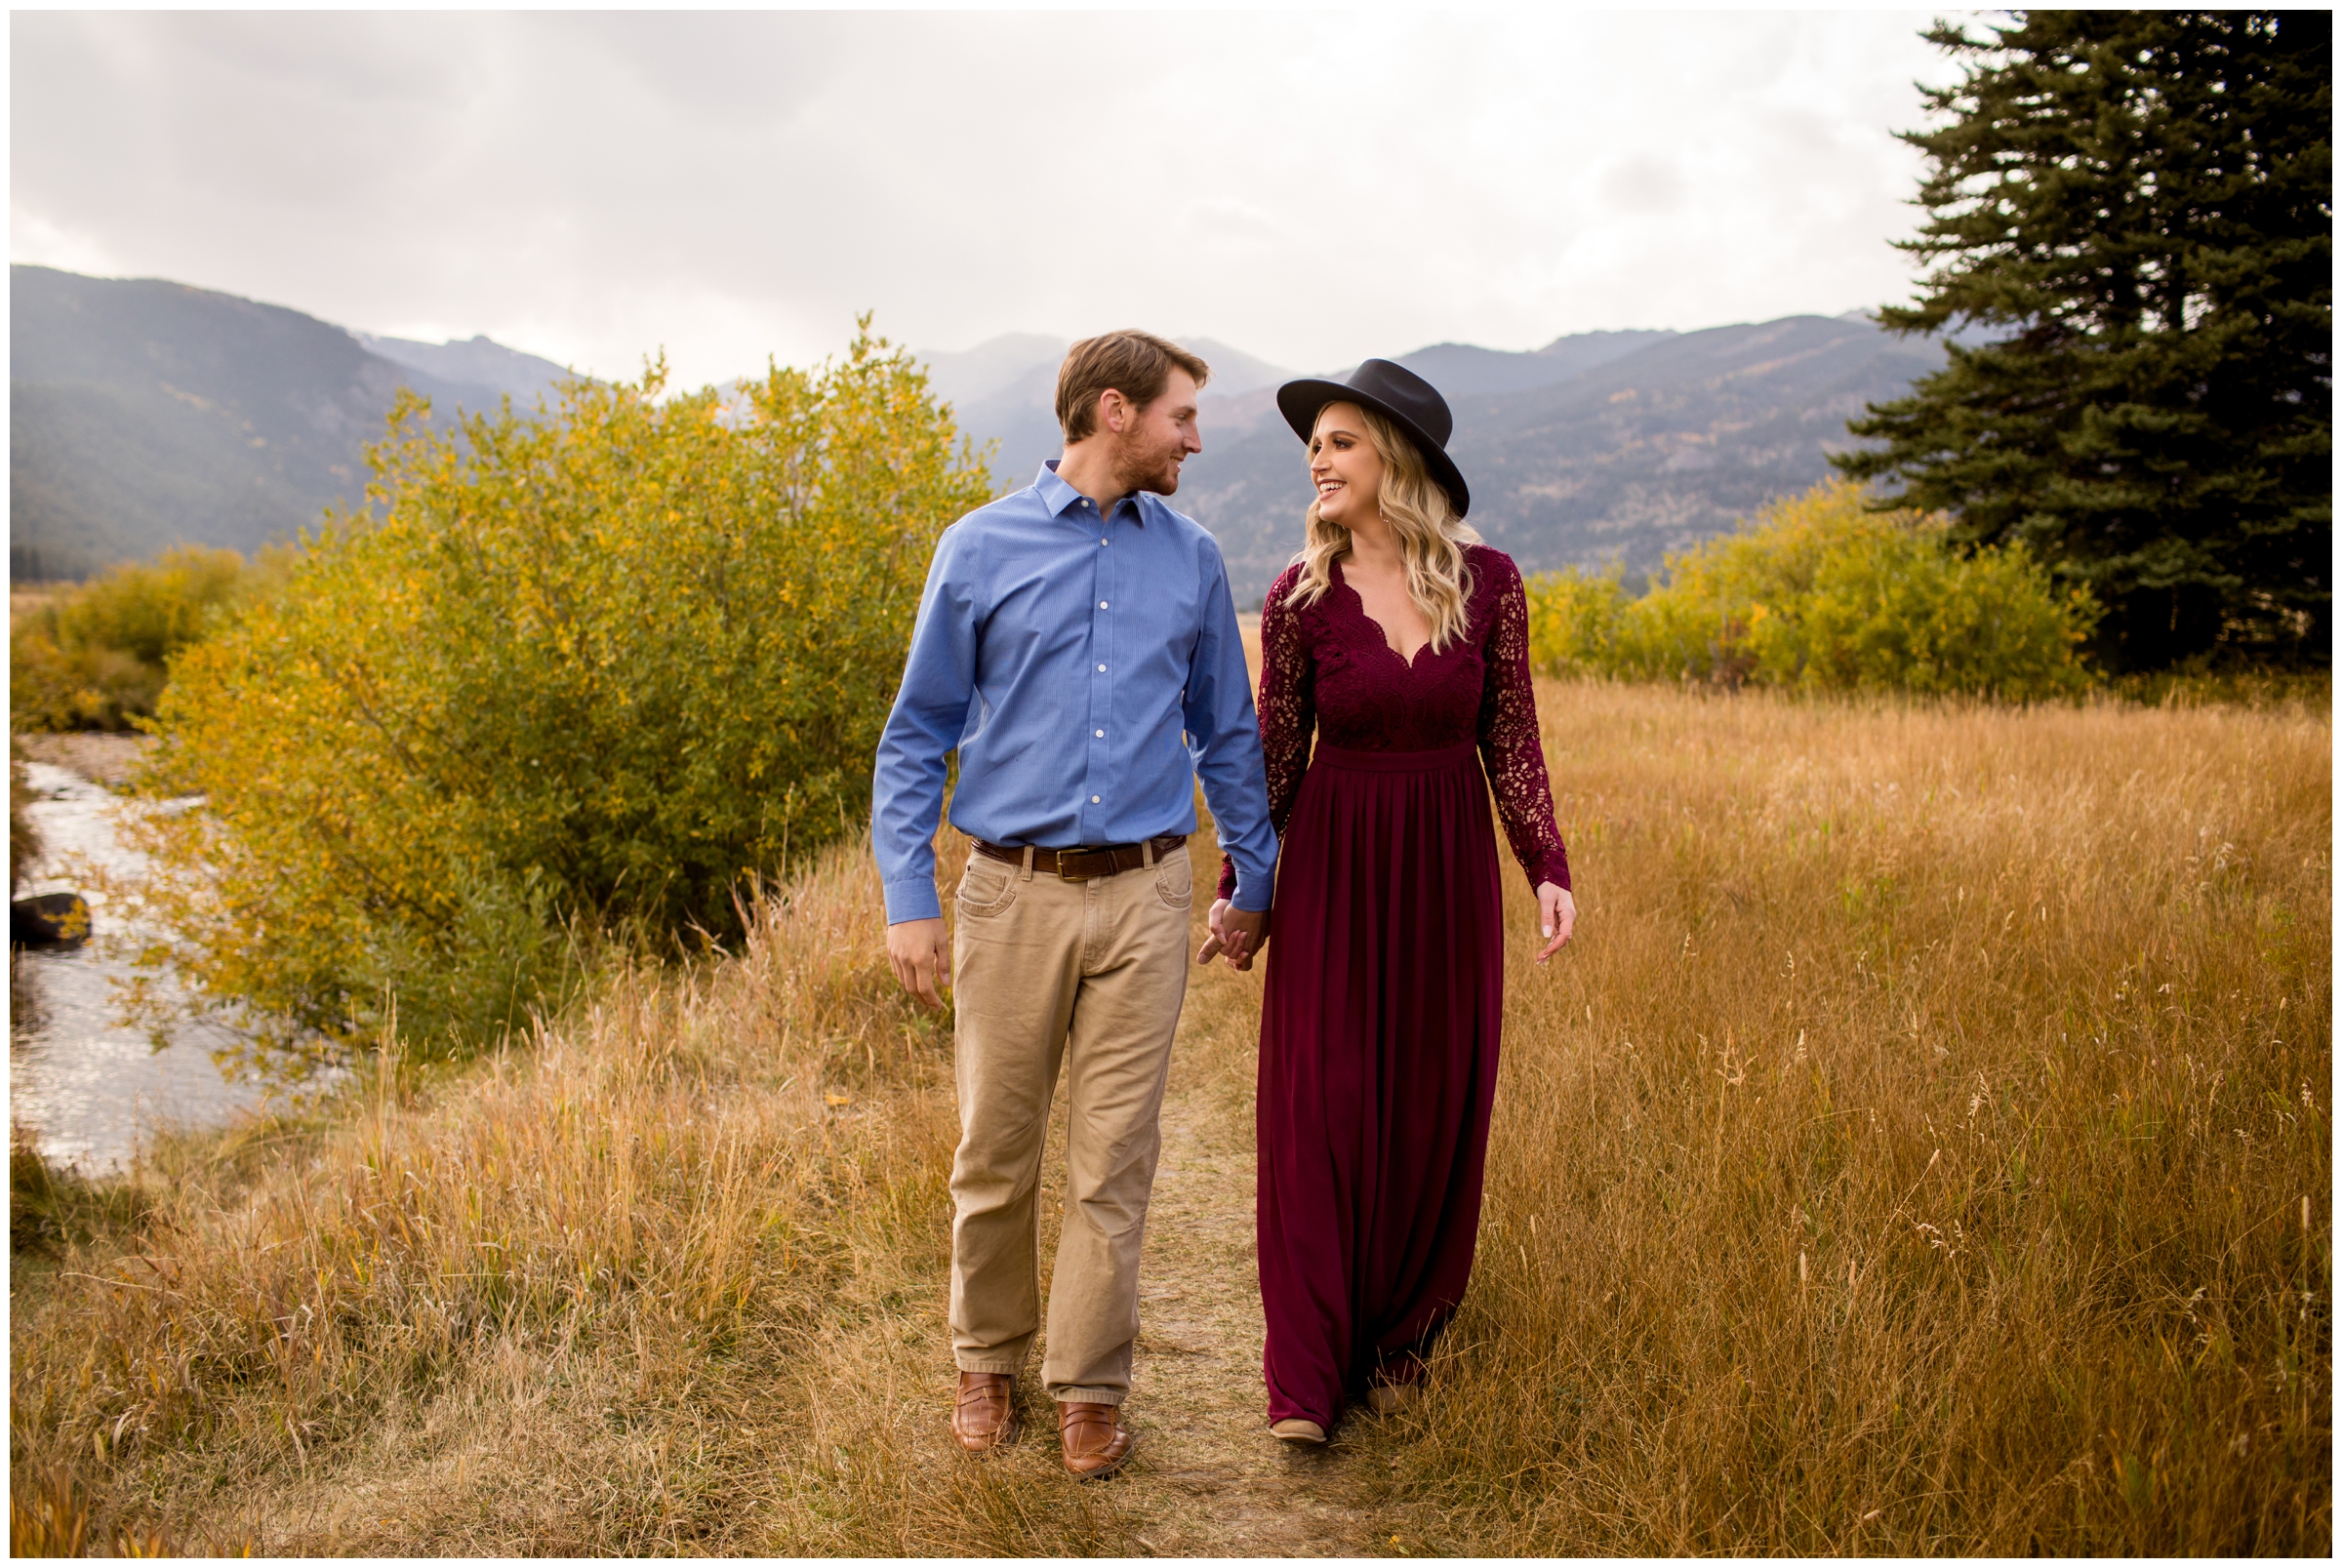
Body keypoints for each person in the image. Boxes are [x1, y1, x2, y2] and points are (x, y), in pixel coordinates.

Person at [872, 331, 1277, 1480]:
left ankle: (1090, 1384)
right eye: (1181, 417)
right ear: (1114, 412)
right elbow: (916, 738)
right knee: (994, 1148)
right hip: (1012, 895)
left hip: (1149, 894)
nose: (1196, 437)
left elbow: (1227, 734)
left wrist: (1256, 876)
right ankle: (986, 1354)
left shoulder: (1191, 558)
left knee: (1116, 1157)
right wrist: (911, 894)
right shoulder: (978, 547)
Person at [1202, 358, 1576, 1444]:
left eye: (1342, 441)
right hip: (1335, 865)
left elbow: (1514, 736)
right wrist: (1245, 892)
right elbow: (1270, 762)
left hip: (1449, 863)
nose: (1318, 458)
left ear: (1396, 461)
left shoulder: (1492, 581)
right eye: (1313, 443)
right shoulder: (1299, 595)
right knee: (1324, 1102)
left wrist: (1545, 863)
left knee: (1430, 1095)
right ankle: (1307, 1376)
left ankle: (1404, 1335)